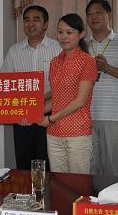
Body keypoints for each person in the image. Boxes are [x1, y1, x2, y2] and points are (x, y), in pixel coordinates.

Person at [2, 5, 60, 170]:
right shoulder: (14, 51)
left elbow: (64, 85)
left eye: (36, 19)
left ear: (45, 24)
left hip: (50, 114)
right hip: (22, 115)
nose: (30, 24)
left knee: (48, 163)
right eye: (26, 20)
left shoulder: (58, 48)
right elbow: (4, 83)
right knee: (24, 164)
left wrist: (42, 99)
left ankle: (46, 188)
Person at [85, 0, 118, 177]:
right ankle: (89, 197)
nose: (93, 17)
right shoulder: (82, 45)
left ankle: (114, 197)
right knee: (88, 167)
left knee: (113, 168)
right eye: (90, 14)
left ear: (109, 15)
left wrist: (106, 68)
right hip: (84, 114)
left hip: (113, 115)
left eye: (98, 13)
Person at [39, 13, 97, 174]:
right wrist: (33, 113)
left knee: (78, 183)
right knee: (58, 181)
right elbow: (57, 99)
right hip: (54, 134)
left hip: (77, 133)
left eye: (69, 32)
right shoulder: (55, 62)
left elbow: (80, 101)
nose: (63, 36)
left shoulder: (87, 61)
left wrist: (51, 118)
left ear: (81, 34)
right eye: (60, 32)